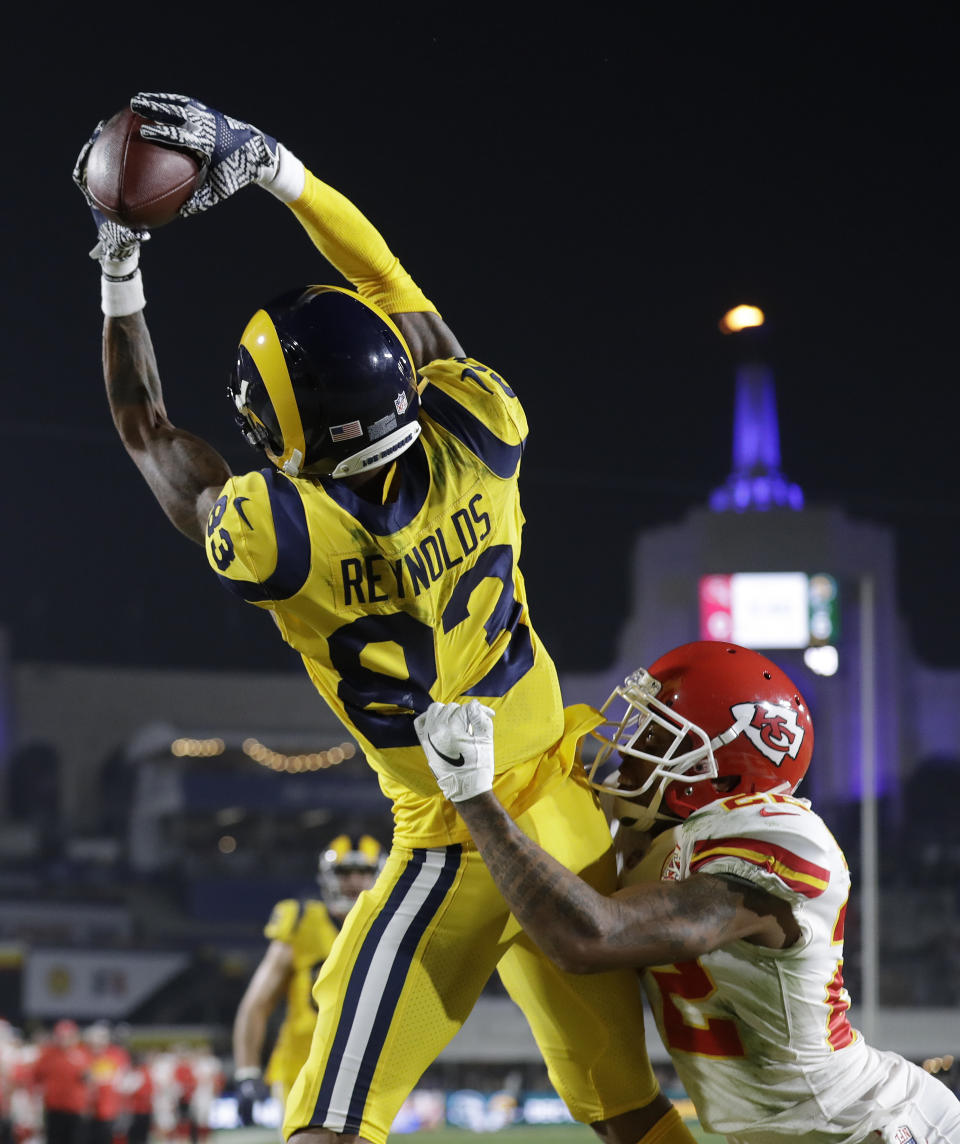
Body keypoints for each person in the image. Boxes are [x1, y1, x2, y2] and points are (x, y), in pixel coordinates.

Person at [72, 93, 696, 1144]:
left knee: (328, 1121)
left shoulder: (280, 533)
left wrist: (119, 259)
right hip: (572, 804)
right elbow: (388, 284)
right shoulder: (482, 428)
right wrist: (275, 169)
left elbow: (145, 427)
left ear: (277, 429)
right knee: (632, 1114)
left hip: (456, 833)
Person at [414, 641, 960, 1144]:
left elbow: (591, 936)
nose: (627, 755)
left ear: (721, 776)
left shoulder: (777, 839)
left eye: (658, 739)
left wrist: (474, 795)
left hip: (882, 1125)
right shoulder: (648, 841)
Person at [232, 836, 385, 1124]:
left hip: (365, 1070)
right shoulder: (302, 920)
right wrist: (247, 1072)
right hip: (303, 1068)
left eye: (362, 872)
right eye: (343, 872)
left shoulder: (390, 928)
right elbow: (257, 1003)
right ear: (328, 876)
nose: (353, 880)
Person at [32, 1021, 90, 1144]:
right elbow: (36, 1077)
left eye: (68, 1036)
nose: (64, 1040)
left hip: (74, 1108)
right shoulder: (48, 1054)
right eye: (61, 1036)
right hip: (53, 1107)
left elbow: (89, 1079)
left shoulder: (82, 1054)